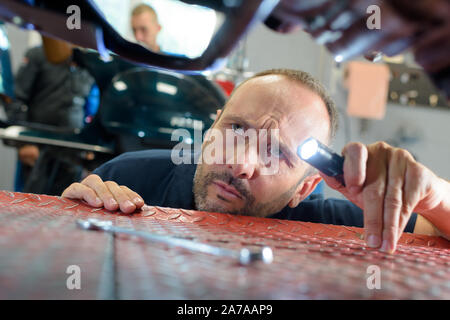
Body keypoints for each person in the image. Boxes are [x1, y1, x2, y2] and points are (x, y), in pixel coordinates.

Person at [61, 69, 450, 254]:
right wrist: (67, 217)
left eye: (278, 153)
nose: (242, 163)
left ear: (305, 187)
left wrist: (431, 193)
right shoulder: (130, 177)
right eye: (235, 130)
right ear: (212, 127)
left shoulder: (328, 226)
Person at [9, 36, 96, 194]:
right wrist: (23, 143)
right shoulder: (38, 55)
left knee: (69, 206)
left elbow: (91, 107)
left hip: (74, 152)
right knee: (30, 204)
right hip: (38, 148)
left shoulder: (89, 63)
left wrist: (92, 142)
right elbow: (17, 98)